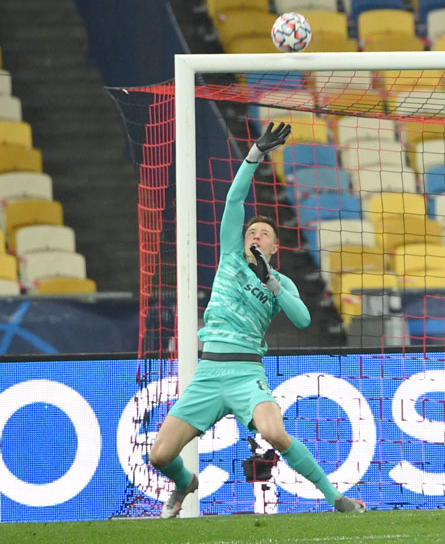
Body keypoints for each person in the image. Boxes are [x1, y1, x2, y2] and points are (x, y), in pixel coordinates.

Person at [148, 122, 366, 518]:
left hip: (247, 374)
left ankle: (337, 498)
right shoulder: (230, 257)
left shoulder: (281, 282)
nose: (256, 235)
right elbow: (234, 200)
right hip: (208, 373)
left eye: (264, 233)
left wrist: (272, 283)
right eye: (252, 231)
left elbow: (303, 320)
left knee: (274, 433)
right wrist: (255, 155)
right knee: (159, 455)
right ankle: (185, 483)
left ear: (275, 246)